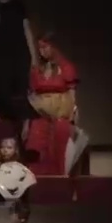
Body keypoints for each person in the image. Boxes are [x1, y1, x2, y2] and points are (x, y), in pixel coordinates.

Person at [25, 33, 79, 176]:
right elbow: (33, 94)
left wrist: (73, 117)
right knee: (36, 149)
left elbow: (72, 95)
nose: (41, 51)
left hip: (60, 116)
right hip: (40, 116)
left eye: (45, 47)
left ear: (54, 47)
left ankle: (60, 185)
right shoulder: (37, 70)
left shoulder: (66, 67)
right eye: (39, 48)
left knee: (59, 151)